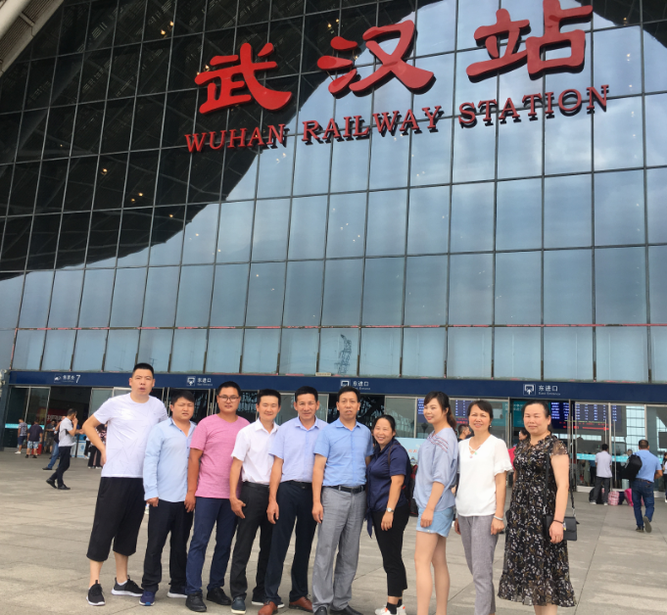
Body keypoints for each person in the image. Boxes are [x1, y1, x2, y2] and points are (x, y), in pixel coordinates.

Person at [82, 363, 168, 607]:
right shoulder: (115, 403)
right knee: (104, 528)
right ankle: (94, 583)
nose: (143, 382)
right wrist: (102, 449)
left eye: (147, 378)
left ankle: (121, 581)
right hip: (116, 475)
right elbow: (88, 425)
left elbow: (163, 433)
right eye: (138, 378)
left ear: (153, 383)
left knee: (129, 530)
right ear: (131, 381)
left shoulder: (158, 407)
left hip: (142, 478)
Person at [498, 401, 575, 614]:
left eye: (536, 416)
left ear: (548, 419)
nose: (531, 420)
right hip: (522, 518)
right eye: (527, 416)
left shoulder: (555, 447)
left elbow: (563, 486)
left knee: (547, 575)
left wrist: (558, 521)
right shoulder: (522, 446)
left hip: (544, 518)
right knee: (533, 574)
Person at [260, 386, 327, 615]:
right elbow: (277, 466)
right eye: (302, 403)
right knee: (278, 545)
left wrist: (319, 500)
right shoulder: (285, 430)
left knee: (304, 546)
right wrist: (272, 500)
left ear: (318, 405)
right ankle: (270, 597)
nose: (306, 407)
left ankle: (298, 595)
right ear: (295, 405)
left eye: (311, 403)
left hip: (312, 493)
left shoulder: (326, 431)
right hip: (287, 491)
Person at [184, 381, 249, 613]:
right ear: (218, 399)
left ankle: (215, 587)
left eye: (233, 397)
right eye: (224, 397)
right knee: (199, 542)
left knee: (224, 544)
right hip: (207, 493)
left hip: (233, 496)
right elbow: (194, 458)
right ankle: (193, 591)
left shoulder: (245, 426)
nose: (228, 401)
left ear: (239, 400)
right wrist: (191, 491)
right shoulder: (206, 424)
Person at [311, 386, 373, 615]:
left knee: (349, 553)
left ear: (359, 405)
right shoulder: (327, 432)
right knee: (326, 551)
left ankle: (340, 603)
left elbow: (368, 465)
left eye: (352, 401)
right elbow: (318, 468)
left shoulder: (365, 433)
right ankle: (321, 603)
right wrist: (316, 501)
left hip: (359, 496)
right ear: (337, 405)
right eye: (344, 401)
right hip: (333, 495)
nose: (348, 405)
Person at [139, 391, 197, 606]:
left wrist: (194, 493)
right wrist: (151, 491)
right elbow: (150, 459)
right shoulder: (161, 429)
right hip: (161, 497)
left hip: (186, 499)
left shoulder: (198, 430)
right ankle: (149, 587)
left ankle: (178, 584)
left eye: (189, 405)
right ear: (172, 407)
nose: (186, 409)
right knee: (155, 545)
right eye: (181, 405)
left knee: (180, 544)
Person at [454, 400, 512, 615]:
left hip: (486, 514)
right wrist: (457, 515)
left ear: (490, 420)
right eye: (474, 414)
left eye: (483, 415)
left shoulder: (497, 444)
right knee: (475, 569)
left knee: (481, 572)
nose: (478, 419)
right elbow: (462, 480)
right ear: (468, 418)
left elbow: (501, 483)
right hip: (464, 513)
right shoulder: (461, 446)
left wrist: (499, 515)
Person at [229, 389, 281, 615]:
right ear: (257, 407)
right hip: (251, 492)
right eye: (265, 405)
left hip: (276, 495)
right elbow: (236, 465)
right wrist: (233, 496)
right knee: (243, 545)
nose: (269, 409)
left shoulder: (282, 434)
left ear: (279, 408)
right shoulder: (246, 432)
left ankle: (262, 591)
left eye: (273, 405)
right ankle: (238, 594)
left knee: (269, 546)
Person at [413, 391, 458, 615]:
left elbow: (441, 478)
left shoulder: (444, 438)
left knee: (420, 561)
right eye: (426, 407)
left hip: (434, 505)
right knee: (438, 561)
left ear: (445, 410)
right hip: (438, 505)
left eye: (433, 407)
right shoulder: (436, 434)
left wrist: (429, 509)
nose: (428, 411)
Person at [366, 415, 411, 615]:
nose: (380, 432)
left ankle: (391, 608)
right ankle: (399, 605)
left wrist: (389, 511)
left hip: (391, 511)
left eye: (385, 429)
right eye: (377, 428)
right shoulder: (378, 451)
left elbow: (397, 482)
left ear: (393, 432)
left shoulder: (397, 452)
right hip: (380, 510)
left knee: (391, 559)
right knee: (392, 556)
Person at [630, 439, 663, 533]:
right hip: (647, 483)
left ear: (638, 447)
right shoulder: (654, 458)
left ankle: (640, 526)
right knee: (649, 504)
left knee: (637, 505)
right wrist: (651, 477)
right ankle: (647, 516)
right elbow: (660, 473)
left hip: (635, 482)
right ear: (648, 447)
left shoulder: (633, 456)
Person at [46, 409, 78, 491]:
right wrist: (75, 424)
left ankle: (52, 478)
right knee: (63, 465)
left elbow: (70, 432)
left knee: (65, 465)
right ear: (73, 415)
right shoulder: (66, 422)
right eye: (75, 415)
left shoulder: (67, 422)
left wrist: (79, 431)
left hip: (66, 445)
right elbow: (72, 433)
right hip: (64, 445)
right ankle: (60, 483)